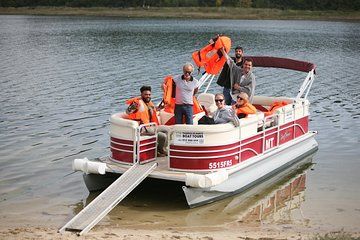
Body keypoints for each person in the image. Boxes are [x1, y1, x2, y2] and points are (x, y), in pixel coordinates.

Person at [125, 86, 167, 156]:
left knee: (168, 129)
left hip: (151, 126)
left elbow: (152, 110)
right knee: (162, 136)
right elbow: (127, 112)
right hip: (142, 129)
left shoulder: (148, 103)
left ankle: (162, 149)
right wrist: (131, 108)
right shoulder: (137, 103)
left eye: (149, 95)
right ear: (141, 95)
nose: (148, 96)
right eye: (146, 95)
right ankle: (156, 152)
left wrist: (159, 108)